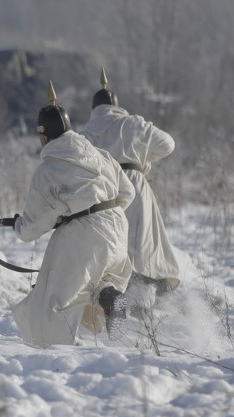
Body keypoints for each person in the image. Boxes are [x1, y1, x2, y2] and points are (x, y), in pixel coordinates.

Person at [11, 83, 136, 347]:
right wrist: (96, 213)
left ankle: (58, 356)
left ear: (43, 136)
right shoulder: (100, 155)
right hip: (117, 228)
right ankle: (110, 297)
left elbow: (34, 226)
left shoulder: (48, 170)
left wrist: (18, 226)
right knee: (96, 282)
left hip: (86, 234)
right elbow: (128, 193)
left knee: (54, 303)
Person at [80, 68, 181, 299]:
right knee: (142, 244)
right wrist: (144, 158)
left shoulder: (85, 135)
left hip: (104, 190)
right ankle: (150, 289)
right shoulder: (134, 124)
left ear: (94, 109)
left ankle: (120, 293)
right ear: (116, 105)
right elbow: (168, 144)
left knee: (114, 245)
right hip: (134, 184)